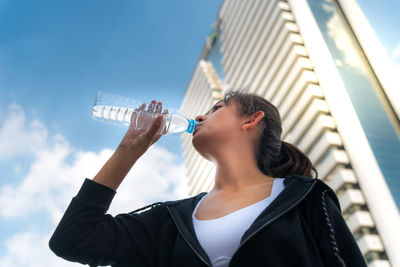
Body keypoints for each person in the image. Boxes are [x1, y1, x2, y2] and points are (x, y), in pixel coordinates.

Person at [49, 90, 367, 267]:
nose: (200, 117)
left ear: (252, 120)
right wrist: (127, 152)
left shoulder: (305, 198)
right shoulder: (170, 221)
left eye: (216, 108)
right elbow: (73, 239)